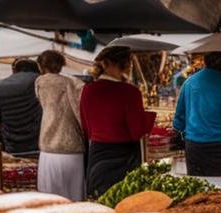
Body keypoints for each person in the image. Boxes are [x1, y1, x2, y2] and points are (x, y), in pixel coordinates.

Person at [79, 46, 155, 197]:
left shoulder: (88, 90)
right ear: (126, 65)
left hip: (98, 154)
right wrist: (148, 117)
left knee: (100, 201)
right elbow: (137, 131)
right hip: (124, 156)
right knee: (125, 201)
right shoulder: (130, 92)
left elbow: (86, 128)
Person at [34, 50, 85, 200]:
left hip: (47, 146)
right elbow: (78, 109)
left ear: (41, 66)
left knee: (50, 198)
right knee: (74, 197)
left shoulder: (39, 82)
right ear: (61, 65)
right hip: (71, 147)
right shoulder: (69, 82)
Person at [0, 58, 42, 155]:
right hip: (41, 146)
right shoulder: (44, 83)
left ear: (14, 70)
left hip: (13, 146)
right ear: (38, 70)